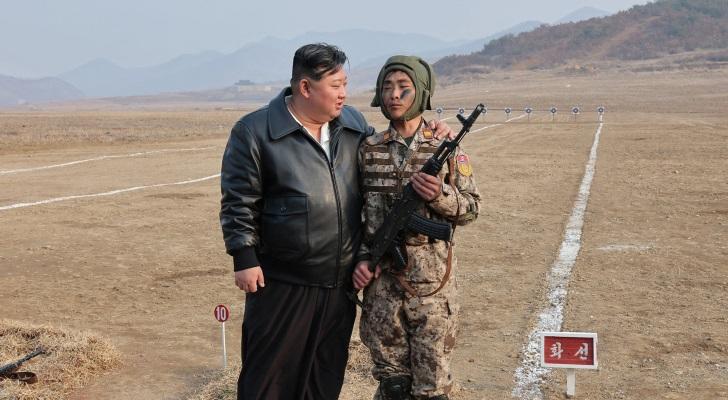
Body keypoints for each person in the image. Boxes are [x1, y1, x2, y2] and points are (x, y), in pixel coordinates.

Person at [220, 44, 454, 400]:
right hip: (282, 283)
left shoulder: (353, 125)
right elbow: (238, 200)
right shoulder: (255, 131)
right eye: (336, 85)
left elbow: (388, 151)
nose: (344, 93)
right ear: (305, 87)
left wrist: (430, 128)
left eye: (345, 84)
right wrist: (244, 257)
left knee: (323, 381)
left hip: (339, 285)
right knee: (268, 381)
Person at [352, 55, 481, 400]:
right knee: (392, 387)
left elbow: (471, 209)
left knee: (432, 390)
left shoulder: (445, 147)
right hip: (383, 289)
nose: (394, 94)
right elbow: (357, 216)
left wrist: (440, 195)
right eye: (387, 87)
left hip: (433, 290)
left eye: (404, 87)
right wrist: (364, 258)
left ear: (421, 93)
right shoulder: (368, 149)